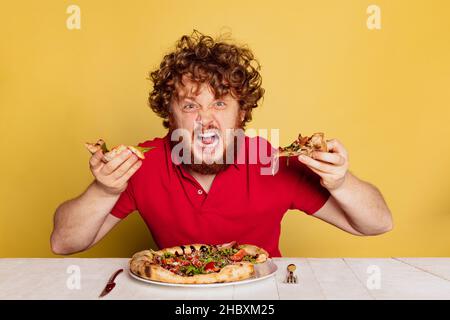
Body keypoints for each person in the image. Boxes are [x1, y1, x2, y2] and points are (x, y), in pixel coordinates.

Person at [51, 30, 392, 257]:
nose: (206, 119)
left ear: (241, 112)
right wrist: (104, 190)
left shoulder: (272, 161)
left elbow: (376, 224)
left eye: (219, 103)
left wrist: (341, 181)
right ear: (170, 116)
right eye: (190, 105)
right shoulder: (144, 162)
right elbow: (64, 243)